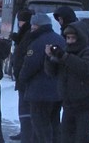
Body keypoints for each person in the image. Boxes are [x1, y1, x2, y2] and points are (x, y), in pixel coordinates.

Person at [45, 23, 89, 143]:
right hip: (68, 103)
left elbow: (85, 68)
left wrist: (64, 57)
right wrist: (50, 58)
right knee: (65, 137)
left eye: (73, 38)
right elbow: (52, 73)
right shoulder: (65, 53)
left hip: (85, 104)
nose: (70, 41)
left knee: (81, 138)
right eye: (68, 38)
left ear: (80, 38)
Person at [17, 13, 65, 143]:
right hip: (57, 91)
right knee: (54, 125)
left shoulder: (37, 42)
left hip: (40, 92)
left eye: (33, 27)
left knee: (40, 128)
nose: (31, 30)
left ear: (38, 26)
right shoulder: (60, 39)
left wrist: (21, 79)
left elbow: (30, 66)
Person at [9, 9, 35, 142]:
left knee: (26, 108)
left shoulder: (29, 34)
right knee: (24, 107)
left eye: (20, 20)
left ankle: (27, 134)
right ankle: (25, 131)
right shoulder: (24, 33)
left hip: (25, 78)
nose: (19, 23)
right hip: (22, 76)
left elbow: (25, 55)